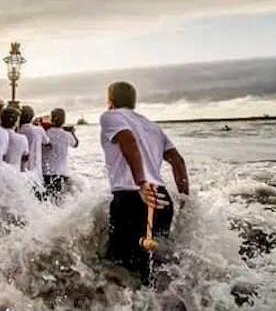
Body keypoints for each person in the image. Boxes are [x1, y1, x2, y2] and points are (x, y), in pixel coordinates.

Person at [100, 81, 190, 284]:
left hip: (133, 197)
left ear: (110, 102)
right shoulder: (153, 127)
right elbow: (178, 161)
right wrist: (185, 200)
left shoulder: (111, 116)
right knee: (157, 268)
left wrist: (141, 182)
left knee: (121, 269)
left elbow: (128, 140)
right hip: (162, 200)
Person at [41, 108, 79, 200]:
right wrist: (72, 132)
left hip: (46, 173)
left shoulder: (45, 133)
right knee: (60, 202)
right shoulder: (67, 134)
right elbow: (76, 144)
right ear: (64, 120)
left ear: (52, 118)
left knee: (47, 201)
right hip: (62, 174)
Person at [19, 106, 50, 192]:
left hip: (21, 171)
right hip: (36, 172)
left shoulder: (18, 130)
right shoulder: (38, 130)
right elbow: (46, 141)